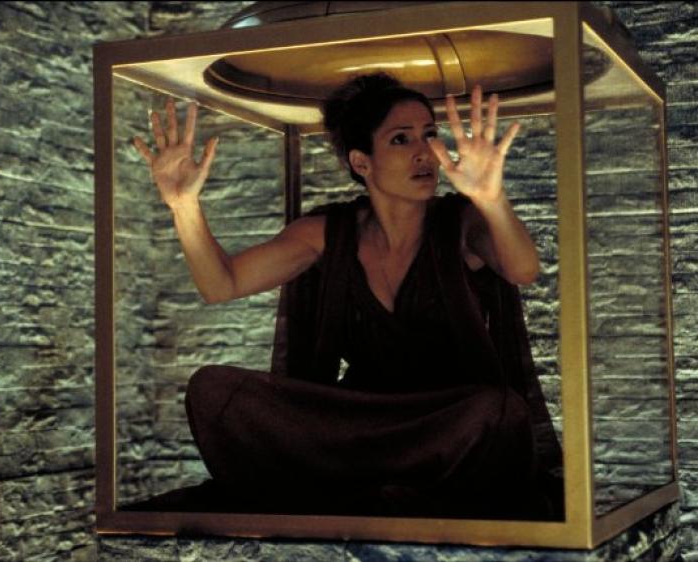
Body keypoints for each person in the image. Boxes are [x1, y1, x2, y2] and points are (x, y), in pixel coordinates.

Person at [132, 73, 563, 519]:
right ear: (362, 162)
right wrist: (184, 205)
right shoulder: (327, 233)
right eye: (401, 139)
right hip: (357, 420)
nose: (425, 153)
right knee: (213, 390)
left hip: (445, 420)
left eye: (430, 134)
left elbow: (523, 269)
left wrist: (492, 199)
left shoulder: (461, 222)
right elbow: (221, 284)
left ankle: (355, 486)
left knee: (497, 411)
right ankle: (382, 484)